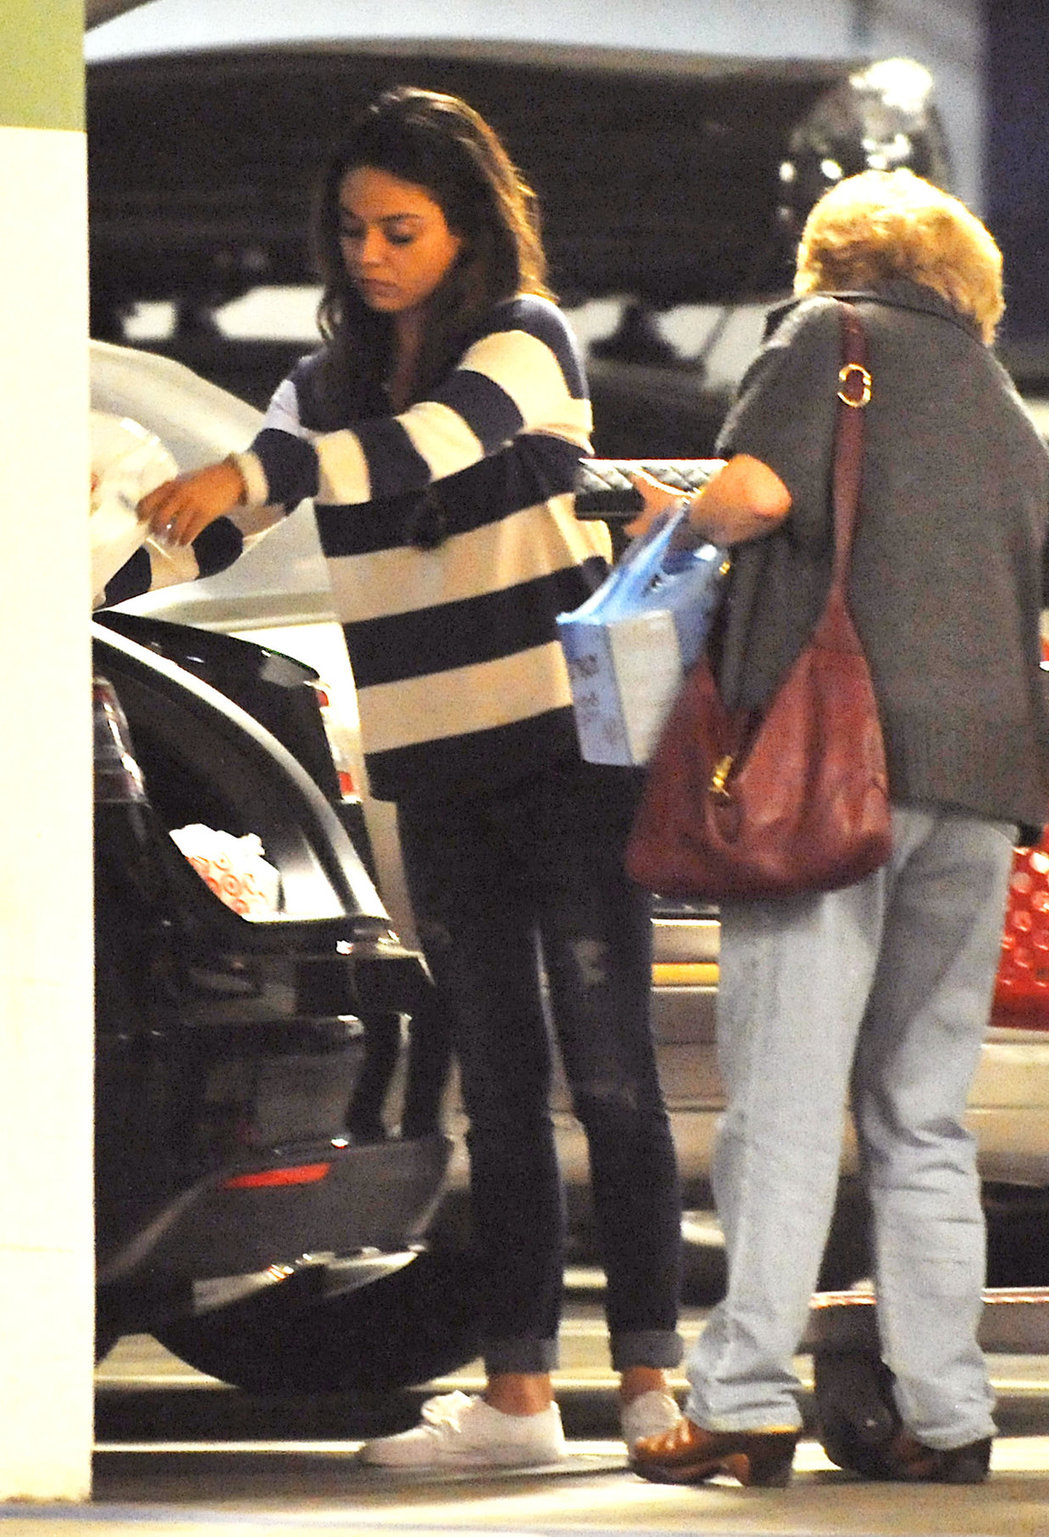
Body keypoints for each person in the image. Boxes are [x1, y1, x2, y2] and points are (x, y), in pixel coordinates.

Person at [136, 85, 684, 1469]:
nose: (370, 253)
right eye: (351, 229)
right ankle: (517, 1398)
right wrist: (116, 540)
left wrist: (246, 470)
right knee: (495, 1092)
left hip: (565, 760)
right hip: (431, 777)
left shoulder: (524, 344)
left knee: (611, 1082)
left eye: (400, 228)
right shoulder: (317, 384)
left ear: (467, 226)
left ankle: (653, 1383)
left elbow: (425, 449)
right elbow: (228, 522)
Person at [622, 168, 1049, 1488]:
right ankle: (947, 1412)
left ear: (837, 259)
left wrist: (667, 510)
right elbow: (1040, 563)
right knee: (922, 1115)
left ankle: (743, 1395)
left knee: (779, 1095)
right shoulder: (998, 400)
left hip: (832, 776)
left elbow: (757, 497)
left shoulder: (826, 336)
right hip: (984, 784)